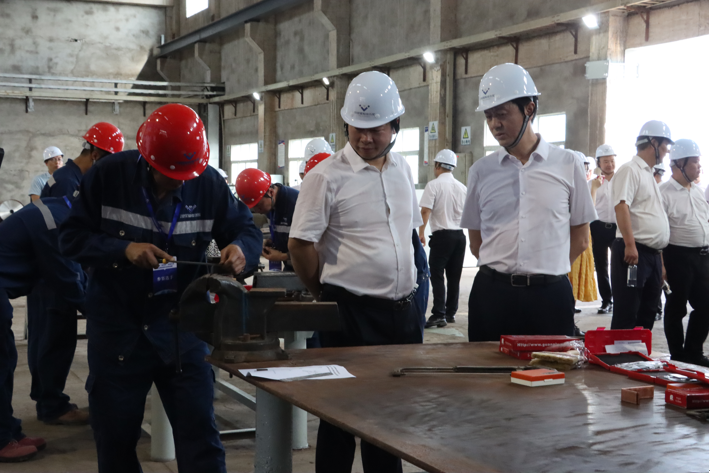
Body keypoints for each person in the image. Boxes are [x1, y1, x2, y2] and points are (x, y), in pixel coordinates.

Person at [58, 104, 262, 472]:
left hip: (182, 329)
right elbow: (70, 238)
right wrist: (123, 249)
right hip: (119, 332)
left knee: (201, 442)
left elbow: (245, 230)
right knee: (115, 440)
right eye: (172, 175)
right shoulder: (108, 176)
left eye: (188, 174)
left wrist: (240, 250)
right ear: (149, 161)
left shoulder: (208, 183)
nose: (181, 182)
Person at [289, 71, 422, 473]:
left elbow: (409, 234)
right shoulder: (325, 177)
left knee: (389, 420)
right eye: (357, 128)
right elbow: (300, 245)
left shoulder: (403, 170)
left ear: (395, 126)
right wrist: (324, 294)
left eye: (375, 129)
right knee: (341, 417)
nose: (365, 138)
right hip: (349, 315)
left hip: (402, 315)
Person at [460, 63, 596, 342]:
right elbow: (476, 242)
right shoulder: (481, 171)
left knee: (550, 367)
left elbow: (581, 238)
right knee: (485, 368)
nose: (494, 125)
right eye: (489, 116)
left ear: (529, 109)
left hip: (550, 297)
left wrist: (549, 269)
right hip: (492, 295)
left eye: (502, 114)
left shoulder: (567, 163)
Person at [26, 123, 123, 426]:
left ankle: (47, 399)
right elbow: (63, 235)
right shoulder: (68, 182)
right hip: (53, 271)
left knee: (47, 337)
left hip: (53, 268)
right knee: (54, 339)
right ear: (95, 154)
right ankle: (52, 405)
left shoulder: (71, 177)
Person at [0, 197, 86, 462]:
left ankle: (10, 432)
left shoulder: (55, 210)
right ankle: (1, 441)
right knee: (0, 364)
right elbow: (67, 278)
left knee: (6, 361)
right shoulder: (54, 221)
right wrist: (105, 316)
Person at [610, 120, 671, 330]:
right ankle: (621, 351)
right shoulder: (630, 170)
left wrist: (660, 262)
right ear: (653, 142)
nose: (666, 151)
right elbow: (621, 206)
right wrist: (630, 244)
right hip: (634, 254)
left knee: (647, 313)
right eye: (665, 145)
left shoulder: (648, 174)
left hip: (650, 255)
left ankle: (639, 351)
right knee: (628, 312)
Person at [659, 139, 708, 366]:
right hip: (677, 257)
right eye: (695, 162)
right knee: (676, 308)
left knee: (705, 306)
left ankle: (694, 352)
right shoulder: (663, 193)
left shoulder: (698, 192)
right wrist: (662, 265)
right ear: (679, 164)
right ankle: (678, 355)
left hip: (702, 257)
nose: (699, 166)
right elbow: (660, 231)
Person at [419, 149, 467, 329]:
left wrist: (421, 232)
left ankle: (439, 314)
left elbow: (425, 210)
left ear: (438, 165)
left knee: (437, 275)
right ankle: (450, 312)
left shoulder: (433, 185)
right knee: (454, 277)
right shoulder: (462, 187)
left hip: (442, 237)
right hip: (459, 236)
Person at [236, 168, 298, 272]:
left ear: (271, 192)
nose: (257, 211)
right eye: (253, 208)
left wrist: (283, 256)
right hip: (291, 266)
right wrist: (271, 241)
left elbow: (312, 247)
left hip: (307, 269)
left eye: (259, 206)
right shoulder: (271, 205)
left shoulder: (296, 203)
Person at [41, 122, 124, 199]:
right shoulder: (67, 181)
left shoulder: (67, 174)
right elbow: (59, 210)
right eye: (106, 163)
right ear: (95, 156)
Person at [589, 144, 617, 314]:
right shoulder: (593, 183)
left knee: (618, 266)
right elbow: (589, 206)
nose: (609, 164)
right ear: (599, 163)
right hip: (598, 227)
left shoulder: (622, 180)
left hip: (617, 228)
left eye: (612, 161)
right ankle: (607, 300)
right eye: (605, 161)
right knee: (601, 266)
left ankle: (620, 299)